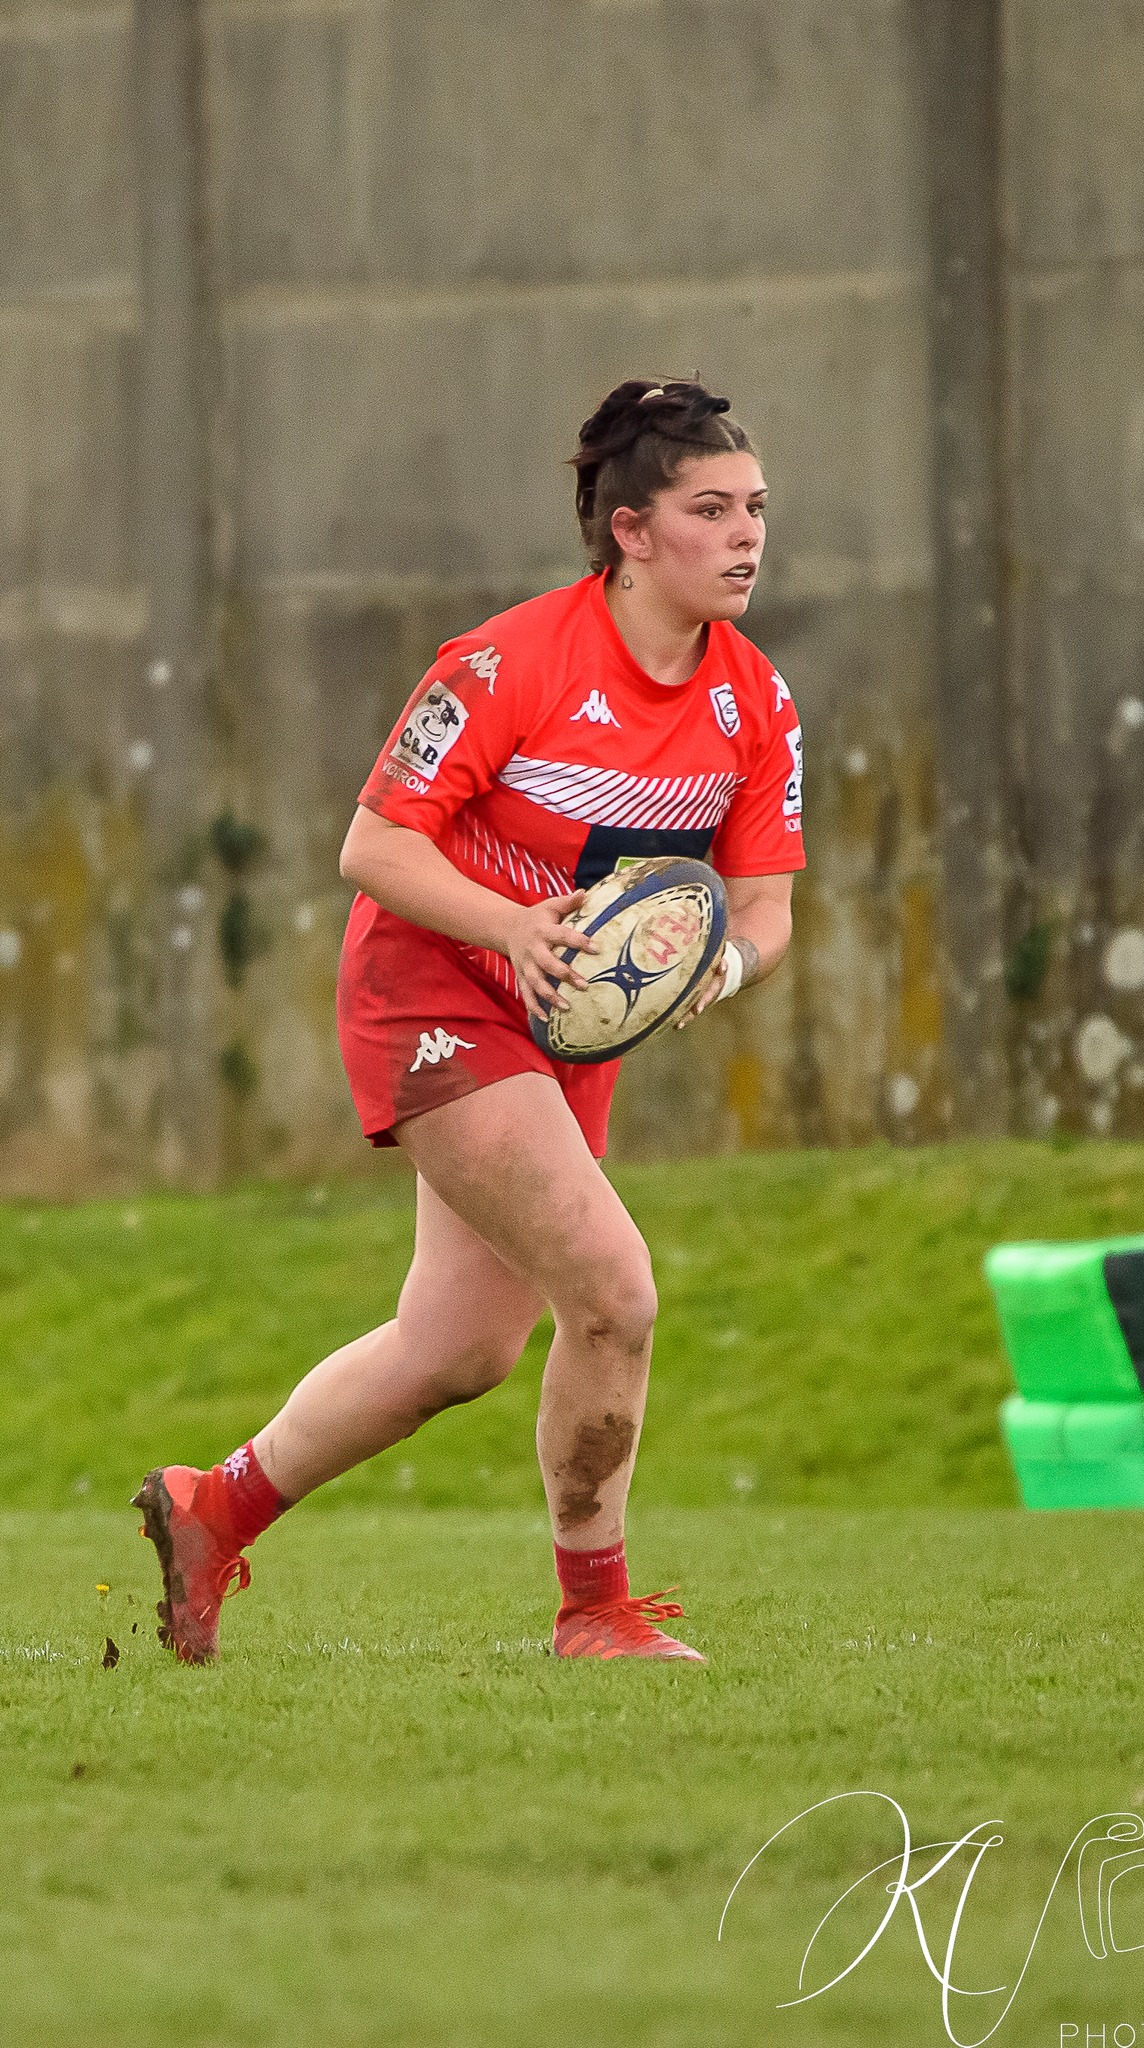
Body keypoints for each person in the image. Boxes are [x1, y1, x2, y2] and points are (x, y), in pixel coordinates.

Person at [133, 378, 806, 1665]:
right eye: (710, 509)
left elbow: (764, 905)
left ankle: (212, 1507)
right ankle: (593, 1610)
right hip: (437, 991)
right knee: (613, 1292)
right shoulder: (506, 664)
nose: (745, 535)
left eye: (756, 508)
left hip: (565, 1029)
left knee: (456, 1349)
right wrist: (507, 927)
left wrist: (718, 967)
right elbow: (371, 843)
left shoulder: (753, 702)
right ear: (630, 531)